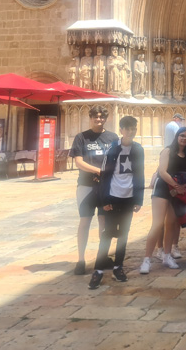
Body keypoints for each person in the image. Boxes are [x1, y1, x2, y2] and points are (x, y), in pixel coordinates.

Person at [88, 116, 145, 289]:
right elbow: (104, 175)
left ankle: (118, 267)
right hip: (113, 196)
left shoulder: (138, 149)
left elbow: (140, 174)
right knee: (108, 233)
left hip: (129, 197)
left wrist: (138, 199)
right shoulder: (113, 148)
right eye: (127, 128)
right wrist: (104, 200)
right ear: (121, 130)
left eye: (133, 128)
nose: (131, 131)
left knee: (124, 234)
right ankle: (98, 270)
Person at [70, 105, 118, 275]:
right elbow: (79, 162)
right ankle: (81, 260)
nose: (99, 119)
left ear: (106, 118)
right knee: (85, 222)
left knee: (104, 222)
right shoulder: (81, 137)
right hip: (87, 186)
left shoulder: (112, 137)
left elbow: (117, 159)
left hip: (106, 187)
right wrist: (99, 171)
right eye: (96, 117)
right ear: (90, 118)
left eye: (102, 117)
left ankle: (102, 257)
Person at [140, 127, 186, 274]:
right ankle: (147, 259)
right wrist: (176, 185)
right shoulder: (168, 151)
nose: (184, 138)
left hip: (177, 191)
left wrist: (184, 185)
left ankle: (167, 255)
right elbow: (162, 171)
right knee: (157, 224)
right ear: (177, 137)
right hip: (163, 188)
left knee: (171, 223)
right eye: (182, 135)